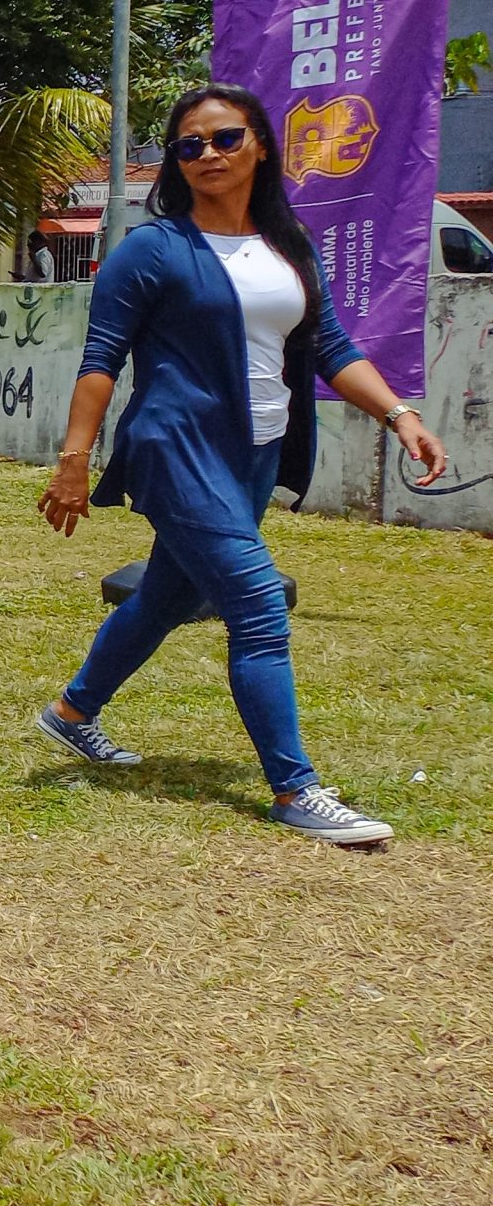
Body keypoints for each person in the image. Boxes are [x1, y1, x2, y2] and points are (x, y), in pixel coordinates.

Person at [37, 84, 447, 846]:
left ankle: (70, 713)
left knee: (165, 595)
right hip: (175, 447)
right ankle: (294, 790)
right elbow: (101, 361)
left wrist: (400, 415)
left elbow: (329, 348)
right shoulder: (154, 249)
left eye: (224, 139)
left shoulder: (288, 246)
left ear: (260, 143)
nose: (206, 156)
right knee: (256, 603)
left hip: (254, 454)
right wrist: (74, 460)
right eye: (188, 146)